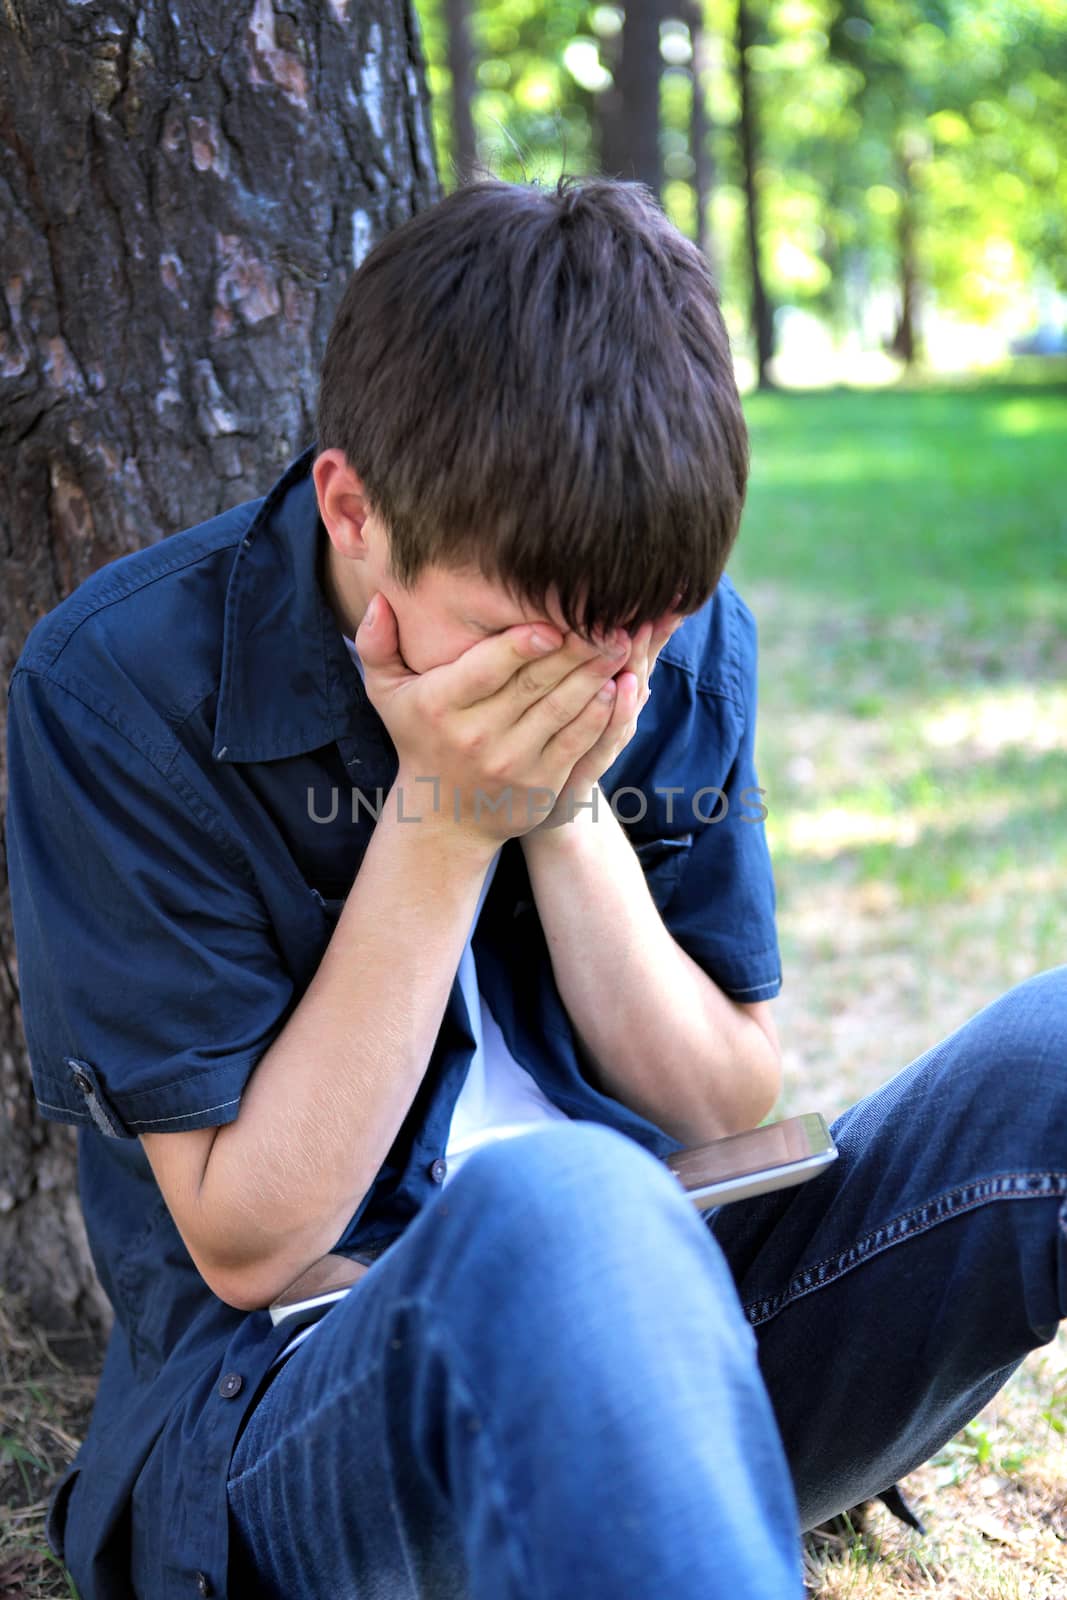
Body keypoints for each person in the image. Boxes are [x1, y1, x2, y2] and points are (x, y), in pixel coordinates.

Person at [5, 174, 1065, 1600]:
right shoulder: (121, 690)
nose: (603, 684)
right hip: (302, 1419)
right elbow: (252, 1240)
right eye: (524, 646)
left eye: (642, 638)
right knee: (570, 1203)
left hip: (686, 1337)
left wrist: (563, 812)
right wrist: (446, 824)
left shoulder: (654, 626)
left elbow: (724, 1098)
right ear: (354, 511)